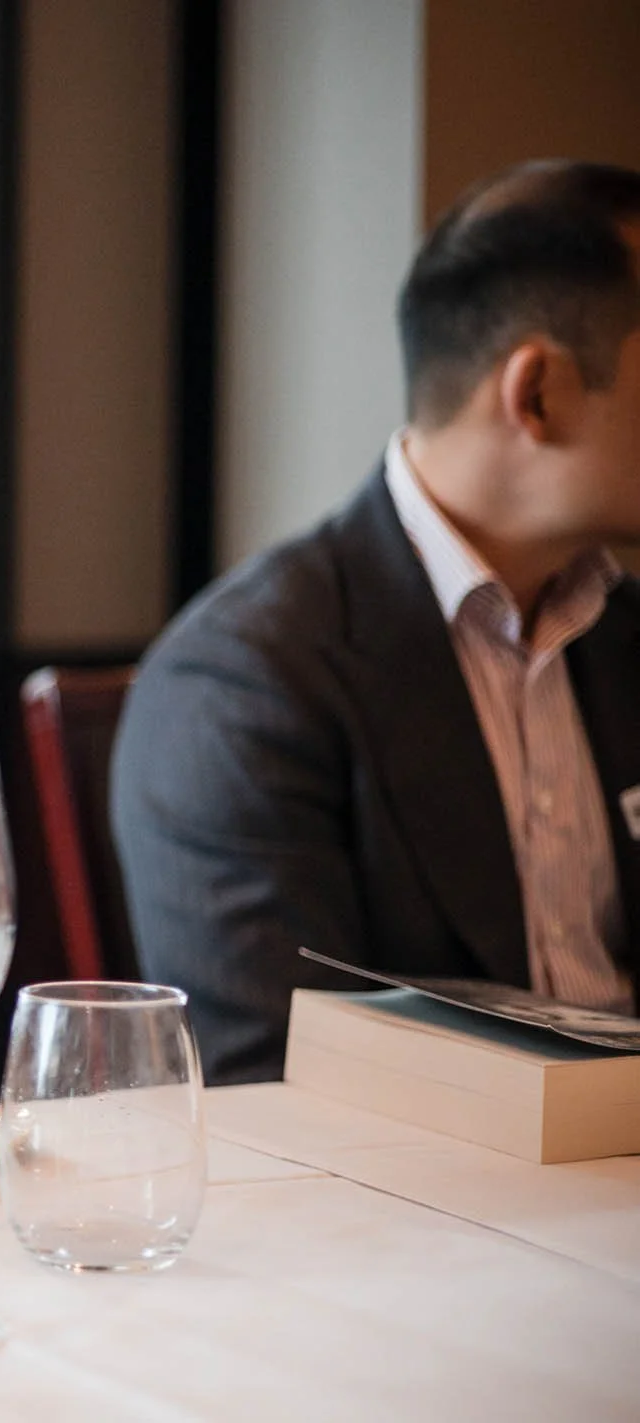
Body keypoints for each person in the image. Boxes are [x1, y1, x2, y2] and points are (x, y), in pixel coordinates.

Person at [112, 160, 640, 1085]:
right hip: (446, 1217)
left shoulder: (625, 634)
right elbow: (277, 1090)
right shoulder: (244, 683)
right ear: (539, 394)